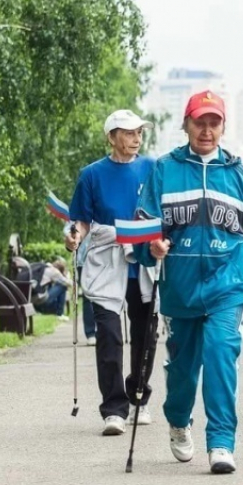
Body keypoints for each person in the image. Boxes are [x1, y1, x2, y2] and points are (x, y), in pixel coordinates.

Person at [135, 90, 243, 474]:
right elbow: (141, 228)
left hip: (228, 283)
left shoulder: (236, 174)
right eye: (199, 122)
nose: (206, 130)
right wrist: (152, 247)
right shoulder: (165, 169)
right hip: (180, 288)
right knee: (183, 369)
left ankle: (221, 442)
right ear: (185, 125)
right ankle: (179, 419)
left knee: (220, 352)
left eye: (213, 122)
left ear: (222, 127)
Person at [65, 109, 157, 437]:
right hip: (106, 260)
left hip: (143, 259)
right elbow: (80, 219)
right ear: (112, 136)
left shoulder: (151, 168)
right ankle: (114, 409)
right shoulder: (91, 174)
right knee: (109, 334)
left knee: (146, 332)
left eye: (139, 133)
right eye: (129, 133)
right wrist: (74, 234)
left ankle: (138, 396)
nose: (136, 139)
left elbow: (163, 209)